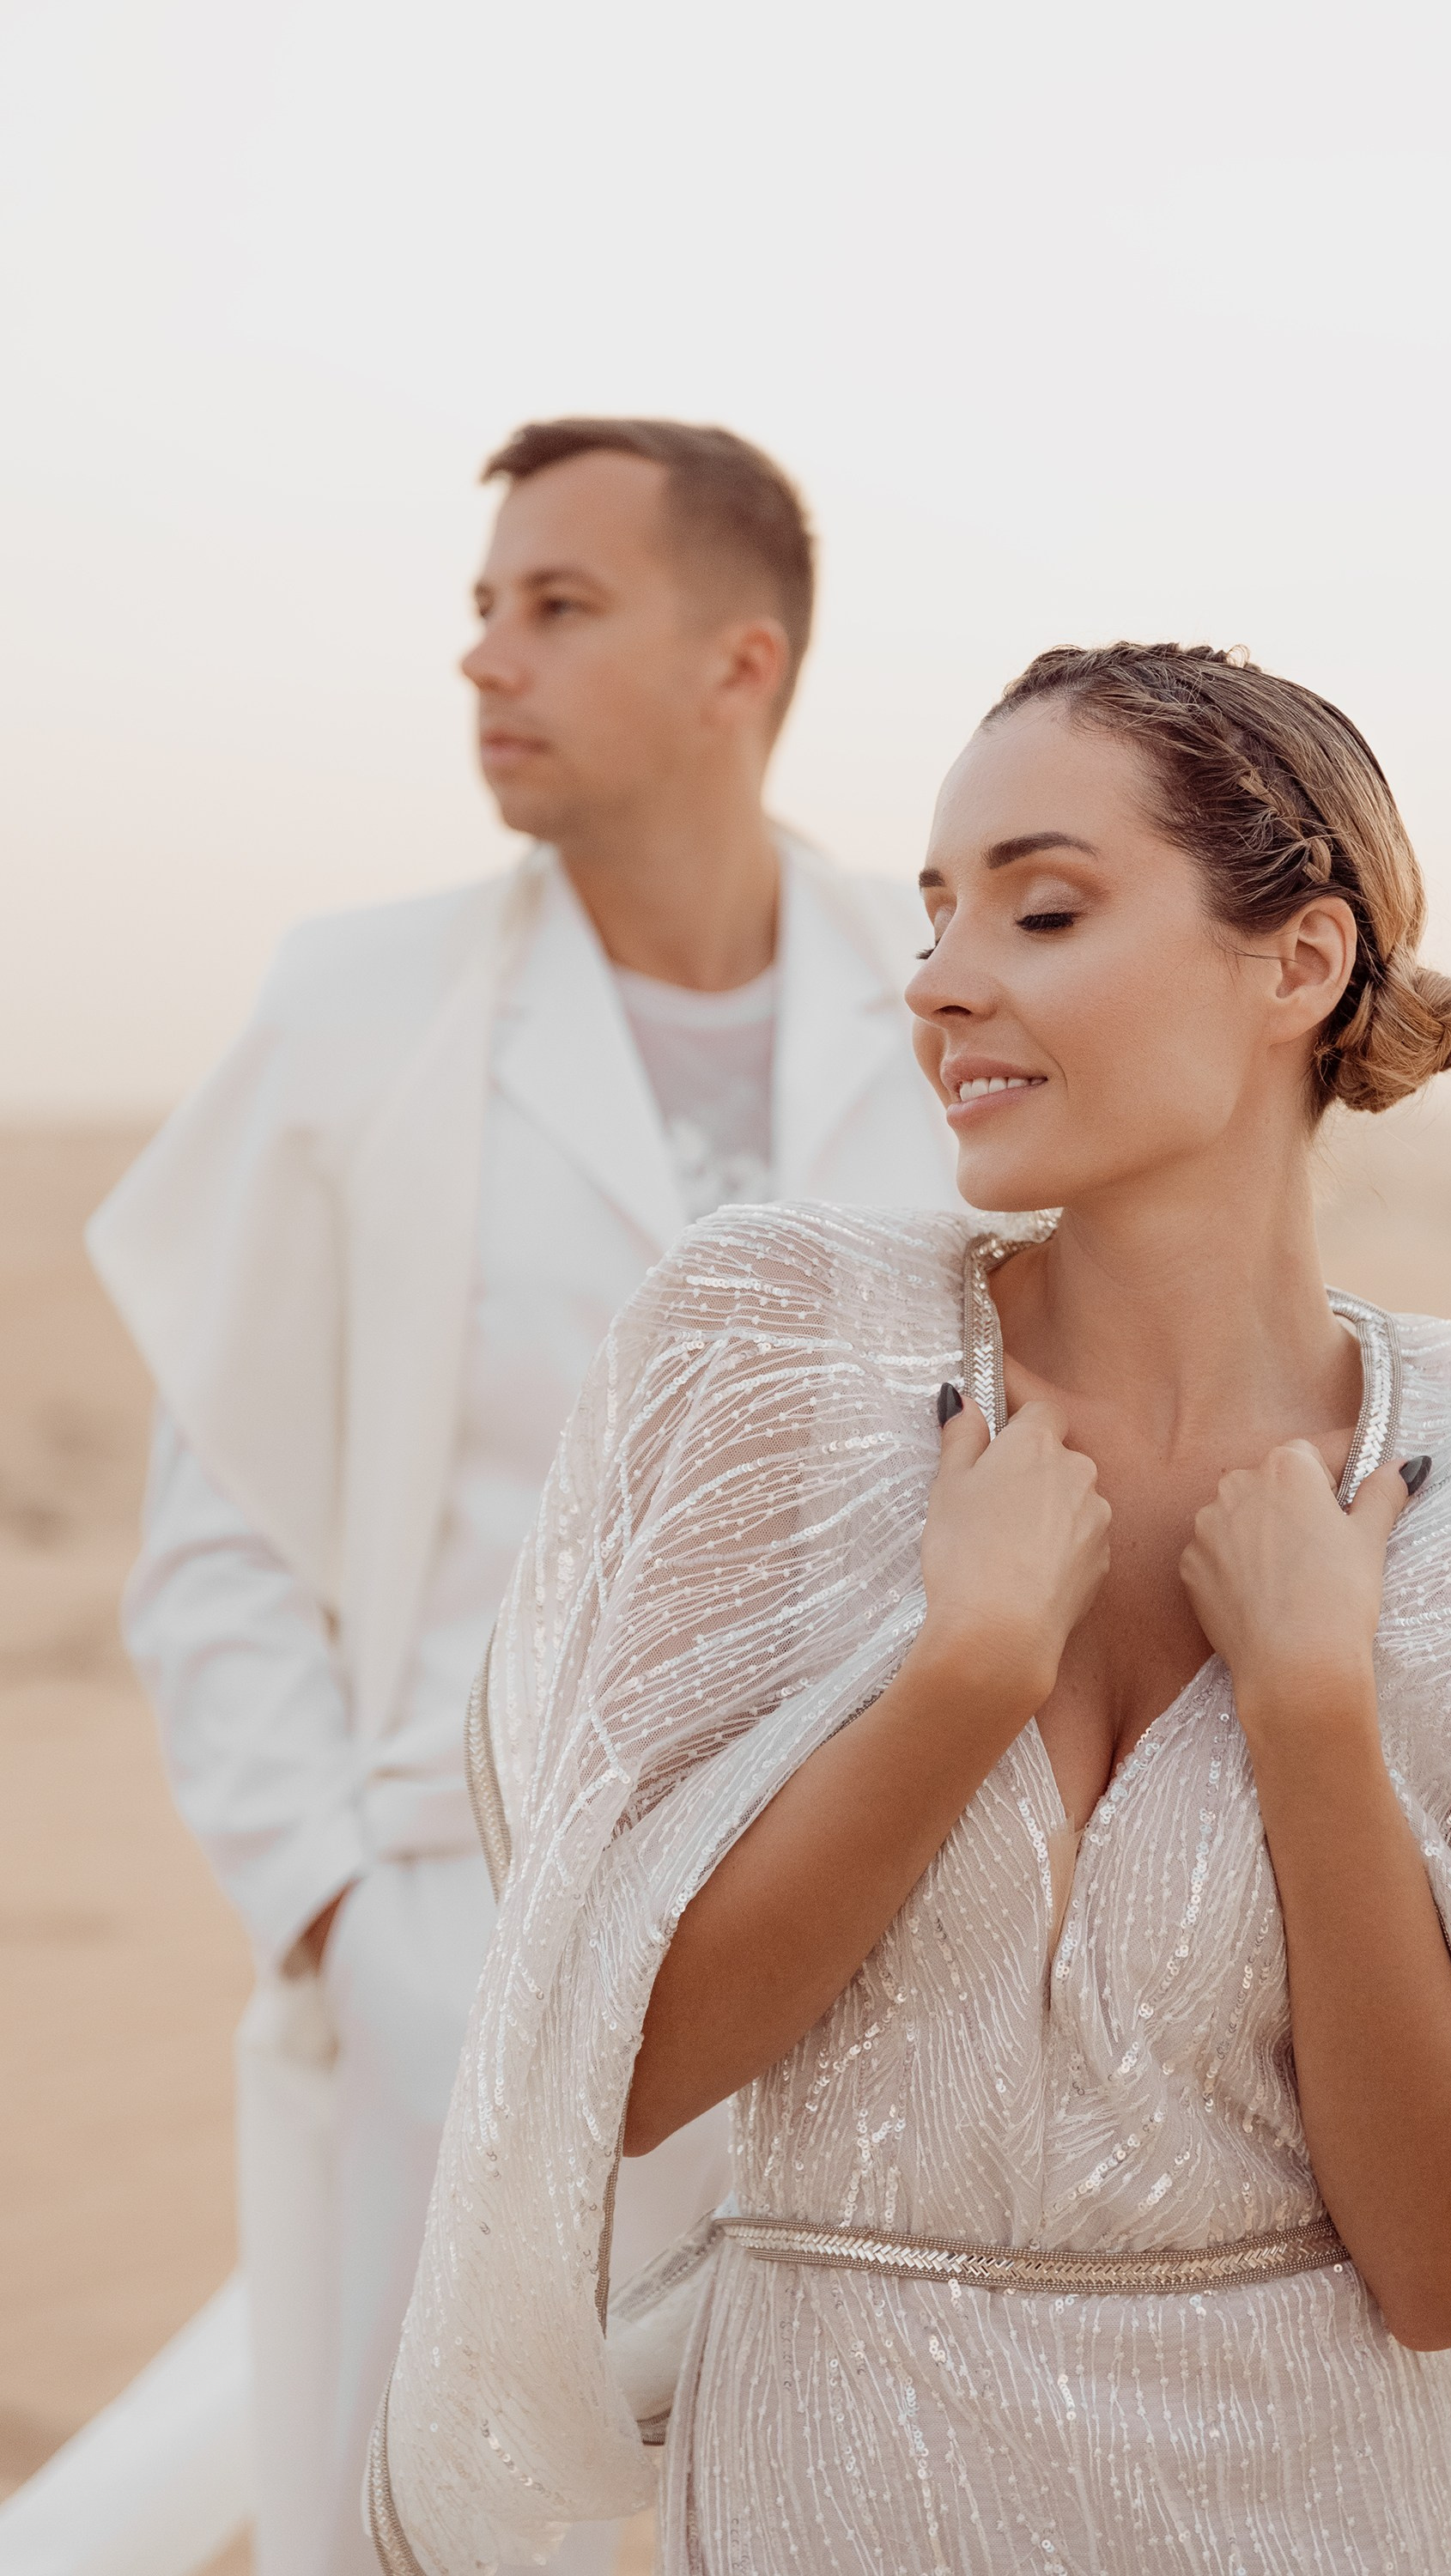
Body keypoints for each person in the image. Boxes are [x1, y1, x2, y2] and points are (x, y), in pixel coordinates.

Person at [373, 642, 1451, 2573]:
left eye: (1045, 903)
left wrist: (1315, 1715)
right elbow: (625, 2066)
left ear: (1298, 963)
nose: (936, 980)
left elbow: (1442, 2276)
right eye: (933, 913)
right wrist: (961, 1675)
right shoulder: (771, 1352)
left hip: (1327, 2505)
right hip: (829, 2492)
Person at [86, 418, 960, 2576]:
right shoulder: (355, 1010)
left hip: (880, 1945)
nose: (489, 659)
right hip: (451, 1936)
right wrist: (337, 1921)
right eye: (482, 612)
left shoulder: (947, 996)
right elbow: (214, 1554)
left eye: (557, 608)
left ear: (735, 663)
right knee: (428, 2526)